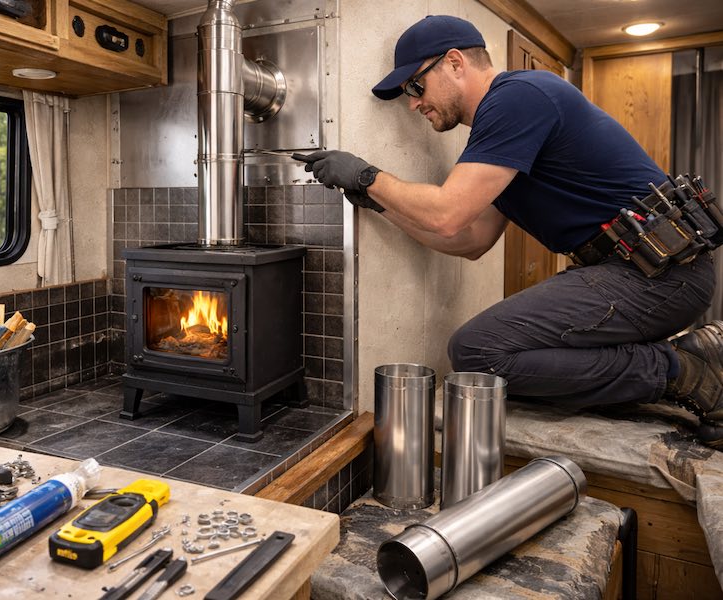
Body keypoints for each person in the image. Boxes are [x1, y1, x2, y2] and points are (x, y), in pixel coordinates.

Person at [302, 15, 723, 449]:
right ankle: (676, 365)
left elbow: (447, 213)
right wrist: (382, 205)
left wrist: (368, 175)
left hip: (658, 273)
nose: (413, 104)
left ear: (454, 62)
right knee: (478, 352)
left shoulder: (519, 97)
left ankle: (682, 370)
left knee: (478, 353)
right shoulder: (502, 132)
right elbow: (469, 240)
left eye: (415, 87)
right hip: (643, 272)